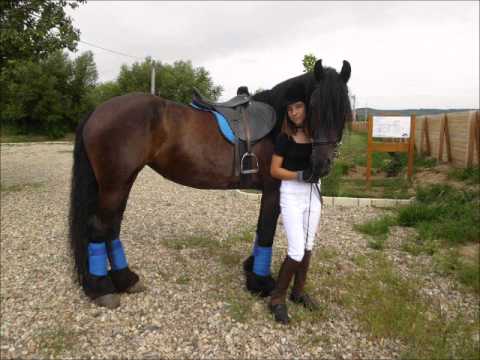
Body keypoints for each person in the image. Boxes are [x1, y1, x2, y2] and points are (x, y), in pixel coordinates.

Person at [268, 82, 322, 324]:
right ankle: (277, 299)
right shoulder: (284, 137)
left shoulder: (316, 136)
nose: (294, 113)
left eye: (298, 107)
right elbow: (274, 170)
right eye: (290, 109)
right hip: (291, 193)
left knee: (309, 244)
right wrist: (299, 175)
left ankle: (298, 292)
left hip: (314, 193)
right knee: (296, 249)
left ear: (306, 108)